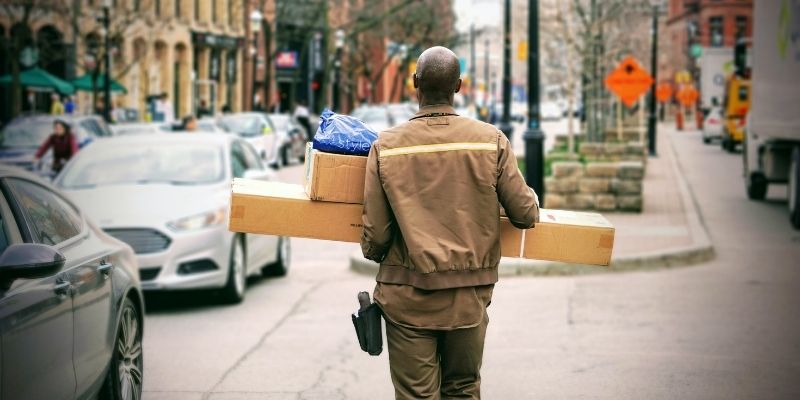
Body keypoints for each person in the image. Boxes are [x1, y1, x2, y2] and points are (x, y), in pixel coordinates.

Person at [361, 46, 540, 399]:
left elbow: (377, 236)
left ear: (415, 84)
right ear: (459, 86)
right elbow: (524, 215)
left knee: (416, 395)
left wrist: (375, 250)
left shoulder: (386, 146)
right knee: (461, 388)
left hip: (406, 297)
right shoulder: (492, 142)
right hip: (467, 299)